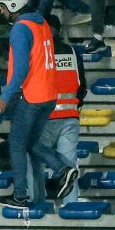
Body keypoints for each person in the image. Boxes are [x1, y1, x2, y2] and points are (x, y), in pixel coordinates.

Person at [0, 0, 57, 210]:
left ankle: (20, 196)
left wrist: (4, 97)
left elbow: (20, 70)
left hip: (33, 95)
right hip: (49, 94)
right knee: (30, 143)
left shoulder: (20, 28)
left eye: (2, 6)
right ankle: (63, 170)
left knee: (17, 145)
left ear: (12, 3)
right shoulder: (41, 22)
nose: (1, 11)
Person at [36, 15, 85, 205]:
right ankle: (71, 209)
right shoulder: (72, 52)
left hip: (45, 118)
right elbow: (82, 86)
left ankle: (39, 207)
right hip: (71, 116)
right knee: (69, 165)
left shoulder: (39, 52)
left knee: (36, 163)